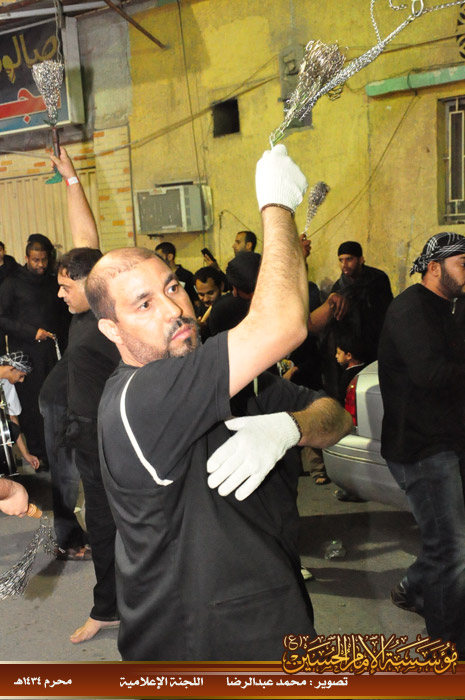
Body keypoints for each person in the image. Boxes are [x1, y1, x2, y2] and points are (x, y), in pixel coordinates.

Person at [86, 144, 352, 660]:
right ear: (112, 330)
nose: (173, 309)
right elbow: (284, 324)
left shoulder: (227, 377)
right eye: (144, 304)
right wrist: (276, 204)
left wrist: (290, 428)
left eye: (172, 287)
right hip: (195, 647)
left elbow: (336, 415)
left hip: (273, 617)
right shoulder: (139, 398)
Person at [378, 232, 465, 659]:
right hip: (421, 448)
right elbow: (432, 374)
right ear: (435, 268)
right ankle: (448, 648)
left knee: (450, 540)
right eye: (463, 264)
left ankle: (413, 588)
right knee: (451, 548)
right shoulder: (410, 309)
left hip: (448, 440)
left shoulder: (452, 306)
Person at [49, 147, 120, 644]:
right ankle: (111, 606)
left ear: (87, 285)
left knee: (116, 525)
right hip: (86, 439)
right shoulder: (81, 307)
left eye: (64, 287)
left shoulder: (107, 315)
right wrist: (72, 179)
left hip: (109, 439)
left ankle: (118, 606)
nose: (59, 294)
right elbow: (85, 240)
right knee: (101, 525)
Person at [0, 235, 69, 464]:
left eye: (44, 260)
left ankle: (57, 451)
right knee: (31, 406)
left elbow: (63, 316)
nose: (40, 265)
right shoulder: (12, 283)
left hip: (52, 353)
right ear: (26, 258)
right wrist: (31, 332)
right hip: (26, 356)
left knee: (54, 401)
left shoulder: (52, 282)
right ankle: (38, 454)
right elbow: (2, 319)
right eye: (35, 260)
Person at [0, 352, 40, 471]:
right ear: (12, 369)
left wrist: (25, 454)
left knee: (12, 429)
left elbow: (13, 417)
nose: (21, 381)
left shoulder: (6, 383)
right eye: (21, 376)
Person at [334, 336, 366, 407]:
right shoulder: (366, 368)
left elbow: (341, 398)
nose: (336, 356)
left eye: (339, 353)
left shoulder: (347, 376)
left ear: (348, 356)